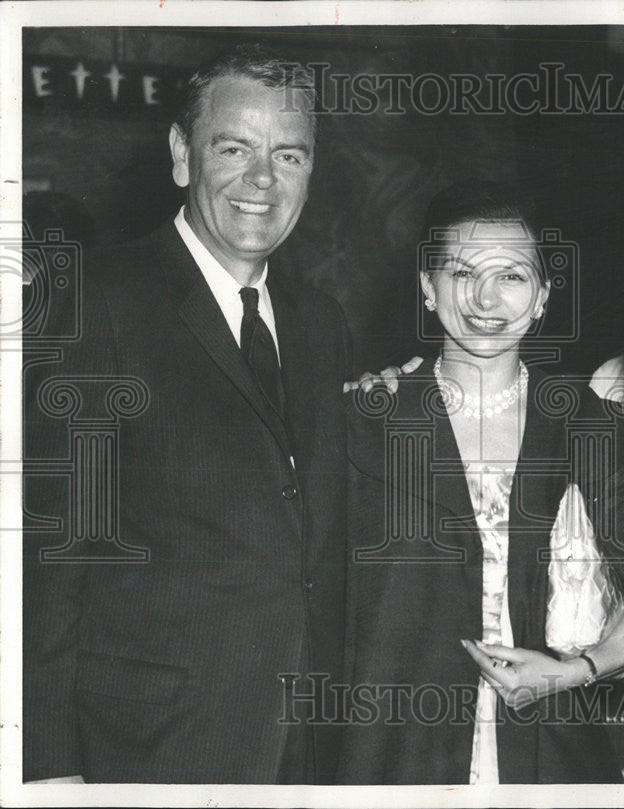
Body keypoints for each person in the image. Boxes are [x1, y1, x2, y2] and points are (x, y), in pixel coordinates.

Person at [23, 44, 350, 784]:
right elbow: (47, 554)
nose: (262, 180)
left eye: (289, 155)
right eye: (234, 148)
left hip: (304, 750)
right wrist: (45, 765)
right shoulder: (94, 300)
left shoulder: (323, 323)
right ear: (181, 154)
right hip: (146, 750)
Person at [339, 181, 624, 784]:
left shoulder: (589, 424)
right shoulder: (365, 419)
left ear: (543, 296)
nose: (485, 297)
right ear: (427, 286)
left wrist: (579, 668)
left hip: (555, 756)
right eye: (461, 272)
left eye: (512, 276)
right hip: (394, 756)